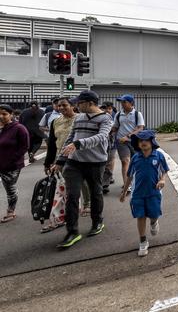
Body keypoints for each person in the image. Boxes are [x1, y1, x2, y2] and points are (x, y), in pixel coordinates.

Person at [53, 90, 113, 248]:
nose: (76, 105)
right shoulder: (78, 117)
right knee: (72, 196)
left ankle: (97, 221)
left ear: (90, 103)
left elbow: (101, 137)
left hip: (95, 163)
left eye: (79, 103)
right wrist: (60, 159)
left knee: (95, 193)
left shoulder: (106, 118)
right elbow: (70, 137)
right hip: (74, 163)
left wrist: (79, 144)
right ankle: (72, 231)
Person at [119, 130, 169, 257]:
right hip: (138, 193)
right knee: (140, 216)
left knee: (154, 214)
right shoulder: (135, 157)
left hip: (154, 192)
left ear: (152, 142)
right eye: (141, 141)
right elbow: (129, 176)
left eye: (146, 140)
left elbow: (164, 171)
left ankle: (154, 222)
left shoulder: (159, 156)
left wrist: (162, 179)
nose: (143, 143)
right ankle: (142, 241)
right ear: (138, 143)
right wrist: (124, 192)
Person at [42, 97, 78, 233]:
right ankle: (59, 218)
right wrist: (48, 163)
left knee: (72, 190)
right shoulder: (55, 122)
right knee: (61, 190)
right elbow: (51, 144)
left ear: (73, 106)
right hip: (60, 160)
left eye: (64, 105)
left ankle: (81, 209)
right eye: (59, 106)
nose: (61, 108)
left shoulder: (80, 119)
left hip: (78, 159)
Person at [0, 104, 29, 223]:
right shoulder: (1, 128)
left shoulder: (19, 128)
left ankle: (11, 211)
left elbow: (24, 147)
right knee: (9, 188)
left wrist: (12, 160)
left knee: (10, 189)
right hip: (1, 163)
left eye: (4, 114)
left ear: (11, 115)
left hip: (12, 165)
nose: (1, 116)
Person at [111, 95, 145, 195]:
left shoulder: (137, 114)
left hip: (134, 141)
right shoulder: (118, 114)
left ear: (131, 103)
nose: (122, 104)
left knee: (136, 163)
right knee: (125, 161)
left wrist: (128, 136)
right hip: (121, 141)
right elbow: (115, 127)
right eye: (121, 102)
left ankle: (135, 181)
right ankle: (127, 185)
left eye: (124, 102)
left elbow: (140, 128)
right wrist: (106, 132)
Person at [101, 101, 117, 193]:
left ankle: (105, 184)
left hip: (112, 144)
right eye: (105, 108)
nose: (107, 110)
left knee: (109, 163)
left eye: (109, 108)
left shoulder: (115, 116)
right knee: (102, 163)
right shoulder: (98, 116)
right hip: (100, 144)